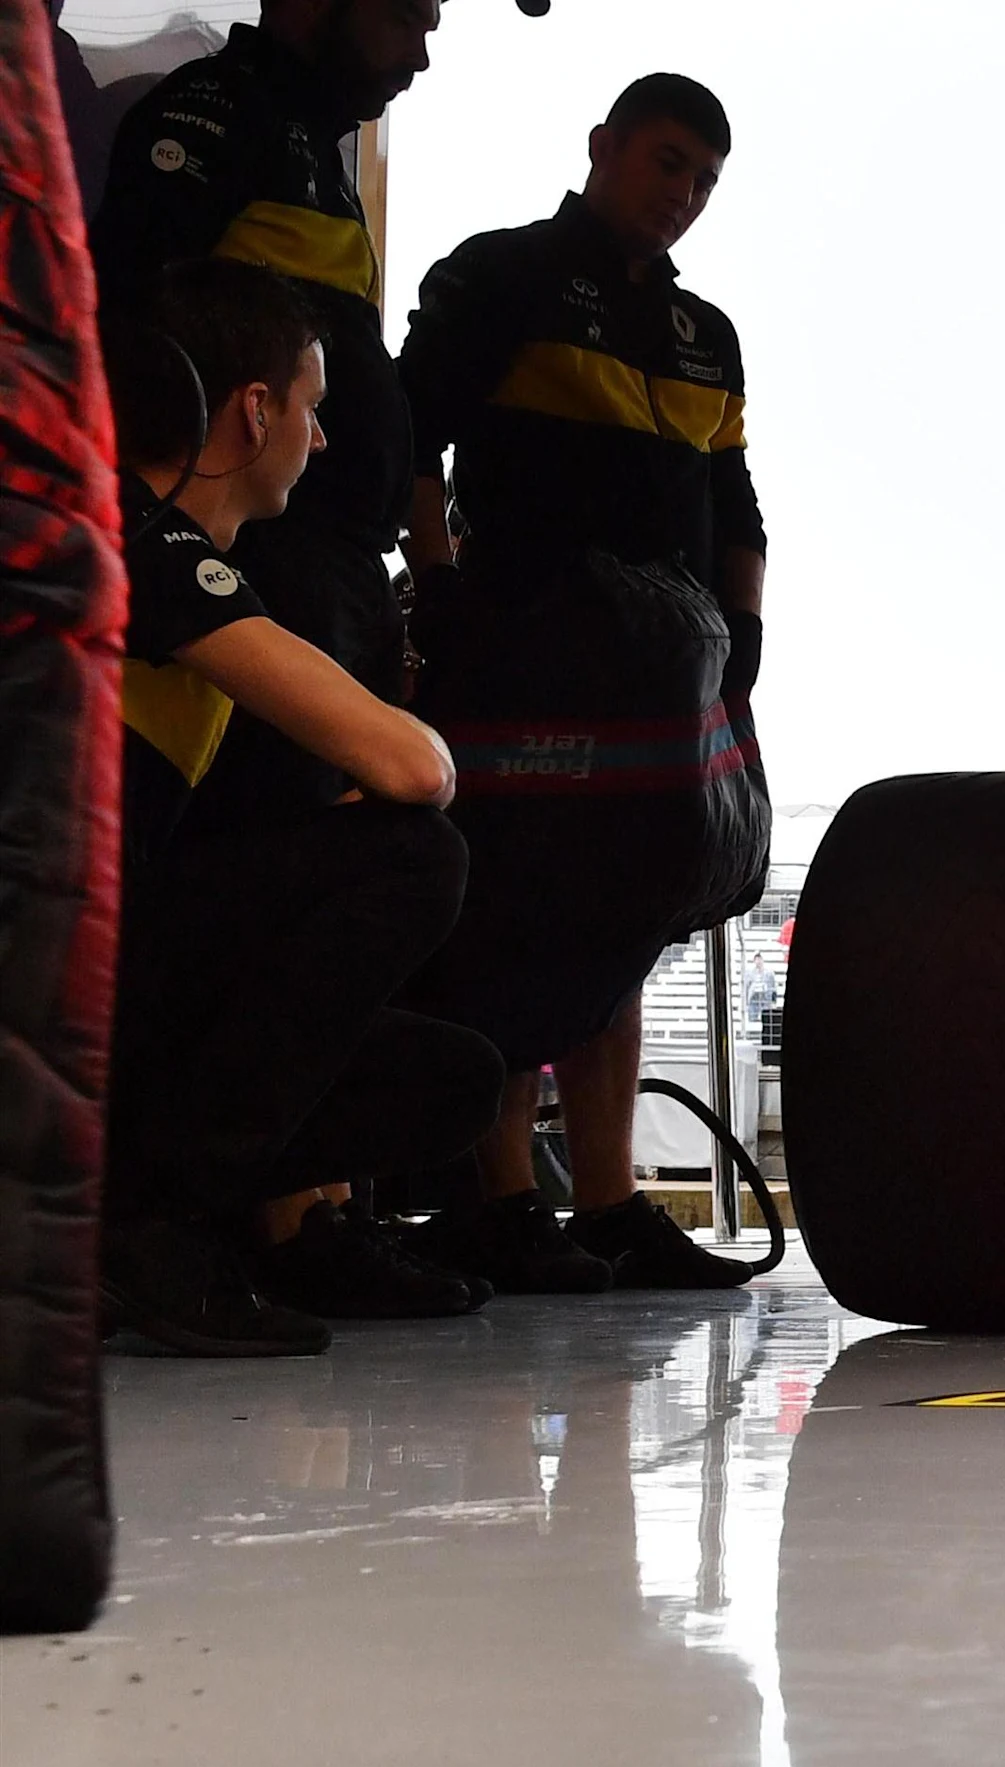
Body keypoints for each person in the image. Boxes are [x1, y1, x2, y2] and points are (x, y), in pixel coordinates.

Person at [394, 74, 769, 1294]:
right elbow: (410, 439)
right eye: (668, 163)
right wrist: (441, 584)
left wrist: (747, 631)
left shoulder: (706, 331)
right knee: (513, 923)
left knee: (629, 923)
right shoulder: (497, 275)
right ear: (604, 146)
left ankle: (607, 1208)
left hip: (669, 671)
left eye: (705, 182)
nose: (683, 196)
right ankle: (502, 1202)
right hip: (519, 650)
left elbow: (737, 508)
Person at [95, 259, 503, 1356]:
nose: (322, 444)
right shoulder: (143, 541)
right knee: (413, 858)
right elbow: (412, 770)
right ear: (254, 410)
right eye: (314, 410)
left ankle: (132, 1210)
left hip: (92, 971)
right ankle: (145, 1226)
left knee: (449, 1080)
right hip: (52, 978)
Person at [90, 2, 441, 858]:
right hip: (251, 555)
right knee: (268, 839)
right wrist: (178, 528)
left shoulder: (326, 156)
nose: (421, 56)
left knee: (369, 837)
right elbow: (131, 337)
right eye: (404, 19)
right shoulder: (211, 110)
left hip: (342, 566)